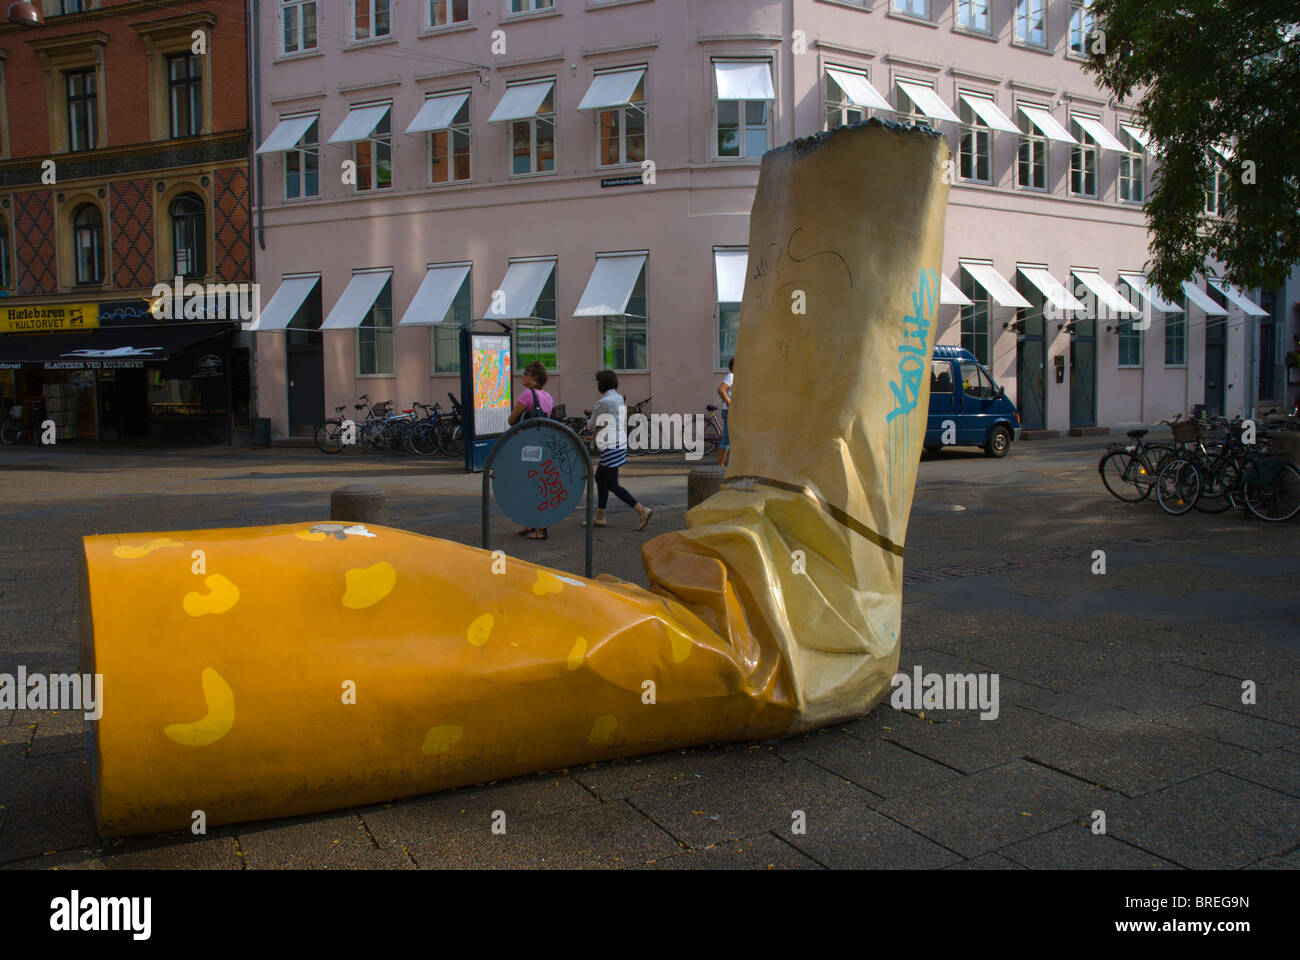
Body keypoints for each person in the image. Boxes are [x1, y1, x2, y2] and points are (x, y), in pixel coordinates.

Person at [585, 370, 652, 530]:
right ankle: (600, 516)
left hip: (610, 446)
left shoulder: (603, 402)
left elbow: (590, 426)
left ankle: (642, 510)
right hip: (619, 444)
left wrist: (590, 417)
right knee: (600, 478)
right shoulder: (618, 398)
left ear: (601, 384)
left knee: (612, 484)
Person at [508, 361, 554, 540]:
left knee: (528, 486)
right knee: (536, 485)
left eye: (526, 373)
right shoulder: (548, 397)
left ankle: (540, 528)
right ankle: (530, 524)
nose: (523, 375)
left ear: (533, 378)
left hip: (527, 448)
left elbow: (511, 420)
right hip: (541, 446)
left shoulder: (528, 394)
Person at [717, 357, 734, 466]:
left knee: (732, 438)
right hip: (729, 411)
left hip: (732, 412)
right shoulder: (731, 376)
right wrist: (729, 403)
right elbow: (720, 389)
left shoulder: (736, 377)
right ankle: (720, 466)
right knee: (727, 439)